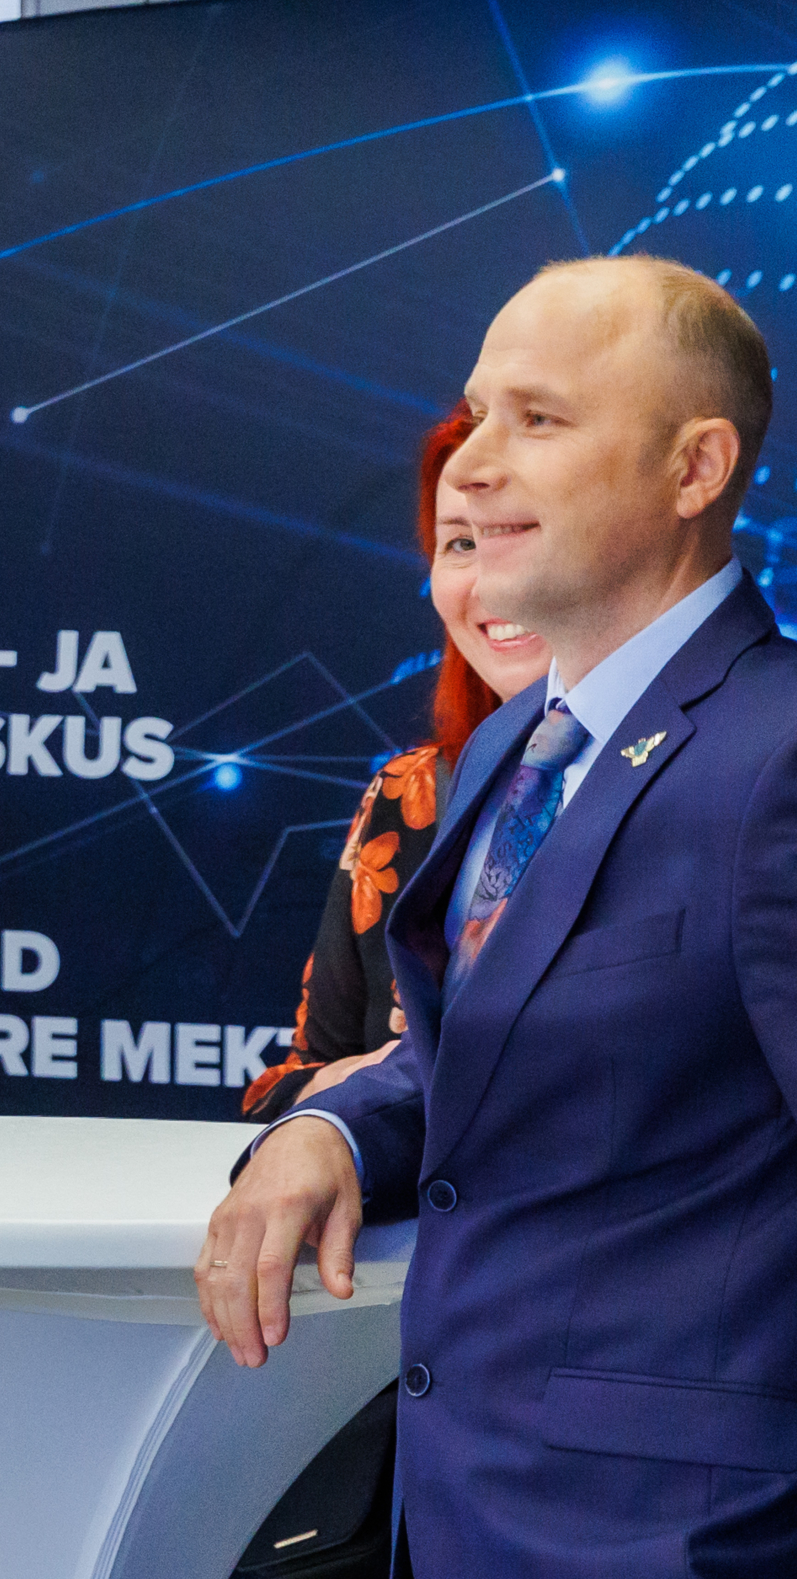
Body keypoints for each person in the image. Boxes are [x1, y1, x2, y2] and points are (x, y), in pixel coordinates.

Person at [197, 256, 797, 1576]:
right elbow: (497, 1047)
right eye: (477, 414)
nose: (471, 464)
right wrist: (330, 1127)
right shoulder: (514, 742)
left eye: (538, 418)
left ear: (695, 469)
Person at [241, 406, 550, 1123]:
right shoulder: (408, 796)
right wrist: (392, 1080)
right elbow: (288, 1088)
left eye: (523, 534)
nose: (492, 584)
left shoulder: (705, 783)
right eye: (461, 543)